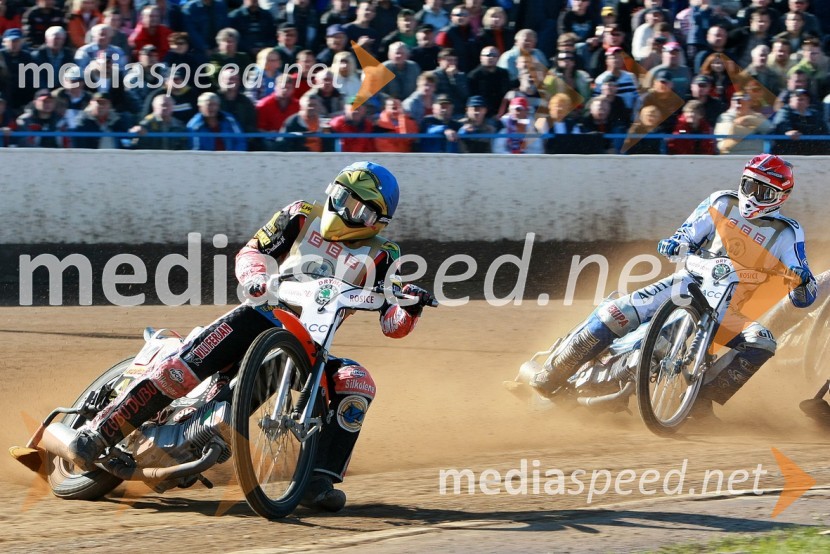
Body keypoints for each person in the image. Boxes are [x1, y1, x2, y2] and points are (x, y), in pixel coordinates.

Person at [66, 162, 435, 512]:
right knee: (184, 368)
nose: (344, 211)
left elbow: (392, 324)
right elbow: (253, 250)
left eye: (359, 209)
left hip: (309, 346)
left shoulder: (384, 254)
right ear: (332, 191)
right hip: (261, 312)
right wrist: (256, 276)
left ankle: (315, 481)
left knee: (356, 382)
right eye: (341, 198)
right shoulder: (301, 214)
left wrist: (411, 307)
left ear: (376, 221)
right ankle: (102, 431)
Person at [529, 154, 818, 419]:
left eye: (763, 192)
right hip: (685, 284)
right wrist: (674, 243)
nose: (752, 196)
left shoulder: (788, 233)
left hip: (727, 308)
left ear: (781, 196)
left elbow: (805, 294)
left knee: (762, 342)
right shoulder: (722, 202)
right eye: (748, 185)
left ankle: (699, 403)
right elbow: (685, 235)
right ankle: (553, 373)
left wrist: (802, 280)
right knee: (617, 312)